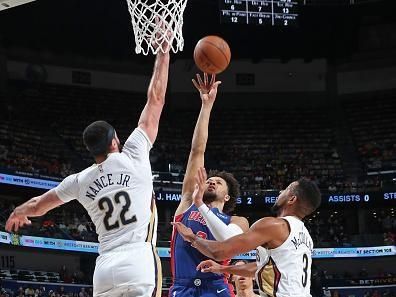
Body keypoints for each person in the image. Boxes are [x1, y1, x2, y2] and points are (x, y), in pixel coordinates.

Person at [5, 47, 170, 297]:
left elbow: (39, 205)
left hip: (104, 268)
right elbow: (156, 99)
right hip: (138, 259)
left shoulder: (79, 180)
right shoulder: (134, 152)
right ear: (115, 141)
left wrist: (19, 210)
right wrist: (163, 53)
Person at [173, 171, 321, 297]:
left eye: (287, 189)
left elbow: (220, 252)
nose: (281, 192)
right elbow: (259, 267)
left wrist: (192, 237)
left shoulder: (274, 226)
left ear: (292, 199)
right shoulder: (305, 236)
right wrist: (223, 269)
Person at [170, 73, 249, 297]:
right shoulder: (187, 203)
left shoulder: (237, 221)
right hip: (182, 287)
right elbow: (198, 150)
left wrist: (193, 238)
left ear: (227, 197)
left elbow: (227, 244)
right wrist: (206, 106)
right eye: (210, 180)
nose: (212, 181)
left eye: (219, 182)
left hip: (216, 286)